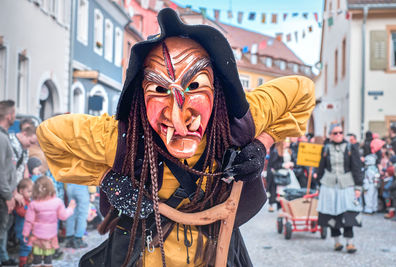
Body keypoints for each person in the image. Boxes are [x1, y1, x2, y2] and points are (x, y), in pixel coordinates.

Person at [36, 8, 315, 267]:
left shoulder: (234, 123)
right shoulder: (122, 137)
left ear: (217, 89)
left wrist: (260, 144)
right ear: (139, 96)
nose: (179, 118)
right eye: (158, 89)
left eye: (194, 85)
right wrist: (108, 180)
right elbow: (49, 135)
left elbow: (302, 91)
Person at [316, 123, 363, 253]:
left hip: (346, 184)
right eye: (335, 133)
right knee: (331, 213)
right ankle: (337, 242)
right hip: (329, 185)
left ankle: (350, 243)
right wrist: (318, 183)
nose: (338, 135)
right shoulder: (325, 149)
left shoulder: (351, 147)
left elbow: (357, 168)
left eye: (340, 132)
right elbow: (321, 168)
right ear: (330, 135)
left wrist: (358, 187)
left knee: (348, 214)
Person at [22, 176, 76, 267]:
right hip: (50, 236)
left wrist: (25, 234)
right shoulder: (57, 202)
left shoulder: (33, 204)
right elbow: (63, 216)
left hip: (37, 236)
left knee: (37, 258)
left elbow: (29, 221)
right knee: (48, 259)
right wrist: (70, 208)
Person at [0, 100, 19, 266]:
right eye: (14, 112)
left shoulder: (4, 136)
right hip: (2, 196)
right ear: (9, 115)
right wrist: (7, 195)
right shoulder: (1, 138)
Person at [13, 179, 33, 267]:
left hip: (27, 230)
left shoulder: (28, 201)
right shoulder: (21, 202)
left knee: (28, 246)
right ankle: (23, 263)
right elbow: (21, 212)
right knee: (25, 247)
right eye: (29, 191)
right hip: (22, 230)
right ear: (21, 191)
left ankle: (26, 261)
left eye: (32, 191)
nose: (31, 194)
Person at [64, 184, 90, 249]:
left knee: (71, 212)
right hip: (81, 186)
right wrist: (92, 191)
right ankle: (78, 239)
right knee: (82, 214)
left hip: (69, 186)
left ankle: (69, 238)